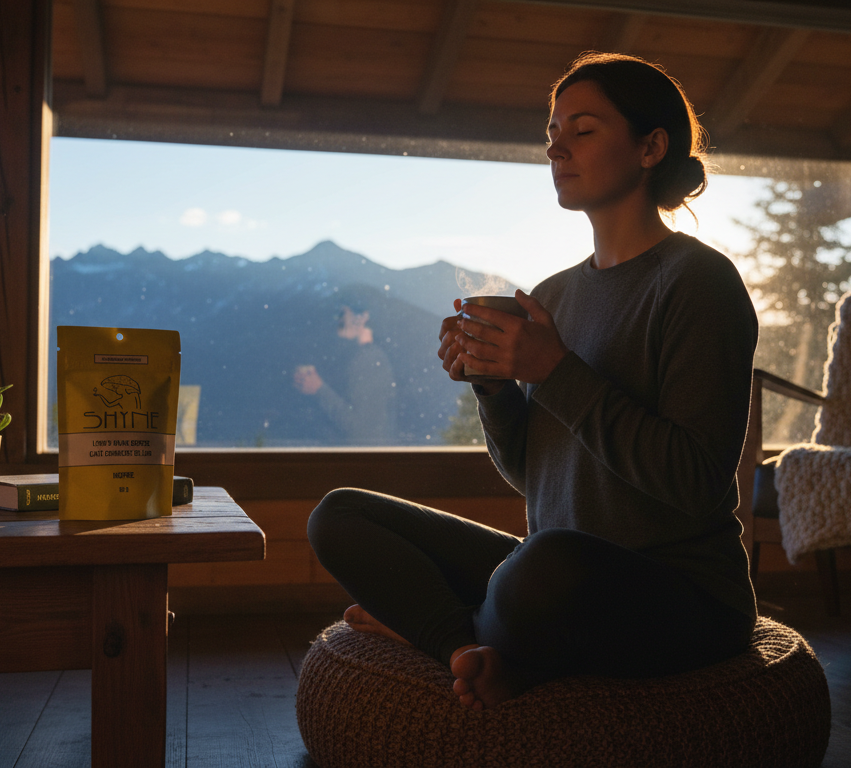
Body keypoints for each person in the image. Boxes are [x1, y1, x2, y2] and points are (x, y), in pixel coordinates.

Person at [307, 52, 760, 711]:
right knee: (339, 515)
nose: (556, 147)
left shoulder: (697, 284)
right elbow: (535, 473)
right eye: (551, 132)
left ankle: (443, 630)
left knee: (541, 569)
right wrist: (494, 386)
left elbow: (695, 481)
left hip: (676, 595)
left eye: (582, 129)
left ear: (650, 147)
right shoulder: (555, 294)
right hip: (558, 571)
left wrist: (552, 369)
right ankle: (469, 644)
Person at [294, 303, 397, 445]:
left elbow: (365, 432)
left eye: (342, 314)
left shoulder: (370, 361)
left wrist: (319, 389)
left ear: (362, 317)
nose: (338, 320)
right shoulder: (360, 358)